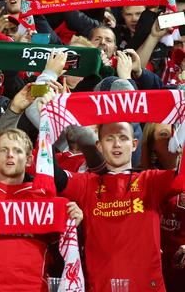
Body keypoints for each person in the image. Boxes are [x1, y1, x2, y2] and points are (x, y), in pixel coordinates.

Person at [55, 121, 185, 291]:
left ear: (133, 144)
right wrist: (48, 125)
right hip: (101, 287)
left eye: (123, 138)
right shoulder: (87, 183)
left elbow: (181, 177)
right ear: (99, 146)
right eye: (109, 139)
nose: (117, 144)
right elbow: (52, 175)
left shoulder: (151, 181)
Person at [0, 129, 83, 291]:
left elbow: (64, 252)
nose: (10, 155)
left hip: (35, 288)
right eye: (3, 150)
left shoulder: (46, 201)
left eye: (17, 150)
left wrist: (74, 222)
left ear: (29, 160)